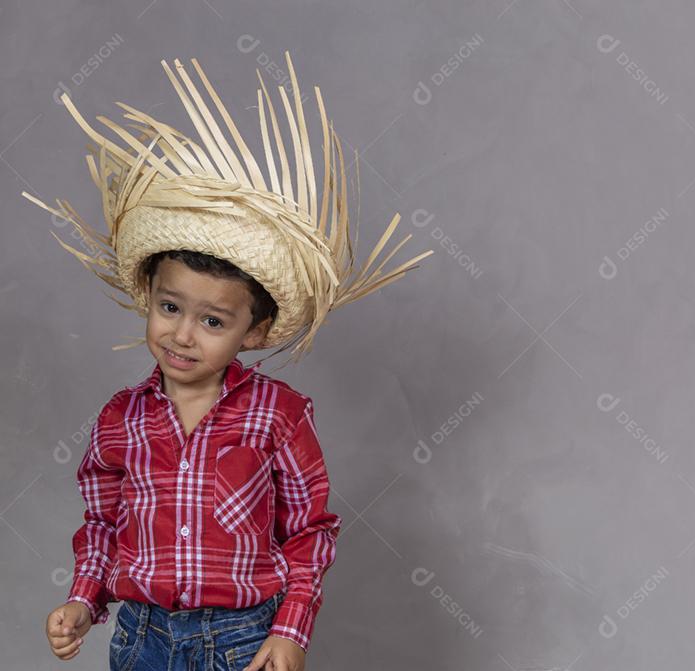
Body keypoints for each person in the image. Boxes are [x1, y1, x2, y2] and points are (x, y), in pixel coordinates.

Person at [24, 51, 432, 670]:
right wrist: (83, 601)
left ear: (255, 331)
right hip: (141, 639)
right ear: (150, 299)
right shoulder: (120, 419)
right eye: (169, 307)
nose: (183, 335)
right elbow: (104, 525)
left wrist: (291, 629)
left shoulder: (279, 417)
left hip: (242, 641)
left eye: (213, 321)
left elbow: (308, 532)